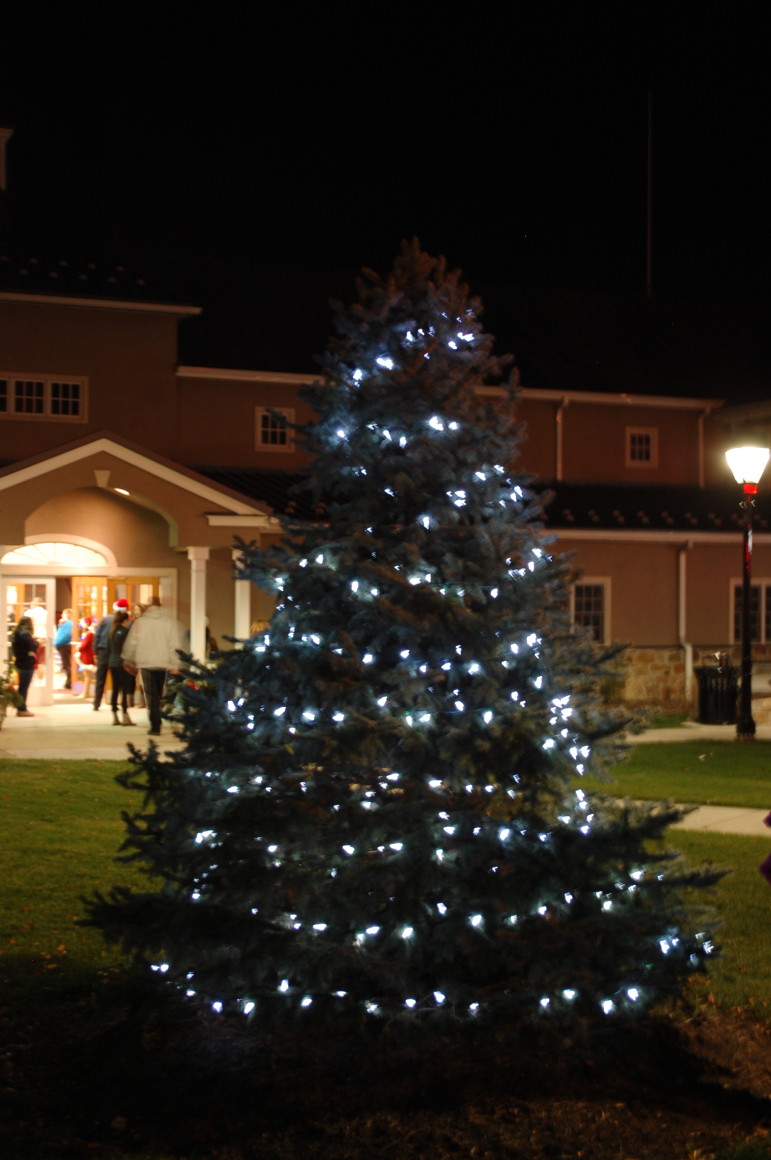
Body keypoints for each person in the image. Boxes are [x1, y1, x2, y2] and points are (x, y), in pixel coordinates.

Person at [122, 596, 182, 736]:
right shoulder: (168, 622)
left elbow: (132, 642)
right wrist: (175, 663)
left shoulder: (141, 622)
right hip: (162, 662)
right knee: (158, 690)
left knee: (151, 695)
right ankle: (159, 716)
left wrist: (127, 659)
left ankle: (155, 725)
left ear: (149, 607)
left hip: (146, 662)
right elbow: (174, 644)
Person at [93, 598, 130, 710]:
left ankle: (96, 703)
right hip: (116, 653)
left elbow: (97, 635)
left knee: (100, 678)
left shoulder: (106, 619)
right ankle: (118, 703)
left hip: (103, 650)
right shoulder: (125, 623)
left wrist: (95, 651)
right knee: (117, 680)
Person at [108, 611, 134, 726]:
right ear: (125, 620)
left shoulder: (112, 632)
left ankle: (114, 715)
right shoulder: (125, 632)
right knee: (124, 689)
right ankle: (125, 714)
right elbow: (128, 649)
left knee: (115, 688)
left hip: (112, 663)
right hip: (123, 663)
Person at [11, 616, 38, 717]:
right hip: (27, 663)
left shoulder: (16, 634)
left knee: (22, 686)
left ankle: (20, 707)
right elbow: (31, 647)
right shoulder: (26, 635)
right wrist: (37, 643)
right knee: (24, 687)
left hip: (19, 662)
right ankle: (22, 708)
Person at [76, 617, 96, 700]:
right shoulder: (89, 634)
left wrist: (78, 647)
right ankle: (86, 692)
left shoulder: (89, 634)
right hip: (87, 655)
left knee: (87, 675)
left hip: (87, 656)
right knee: (87, 675)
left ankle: (86, 692)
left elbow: (84, 645)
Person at [54, 608, 74, 690]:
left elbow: (65, 635)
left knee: (66, 664)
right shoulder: (66, 624)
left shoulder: (69, 623)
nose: (62, 616)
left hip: (64, 645)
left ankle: (69, 682)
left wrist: (57, 643)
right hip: (63, 645)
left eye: (63, 614)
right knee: (66, 664)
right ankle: (68, 682)